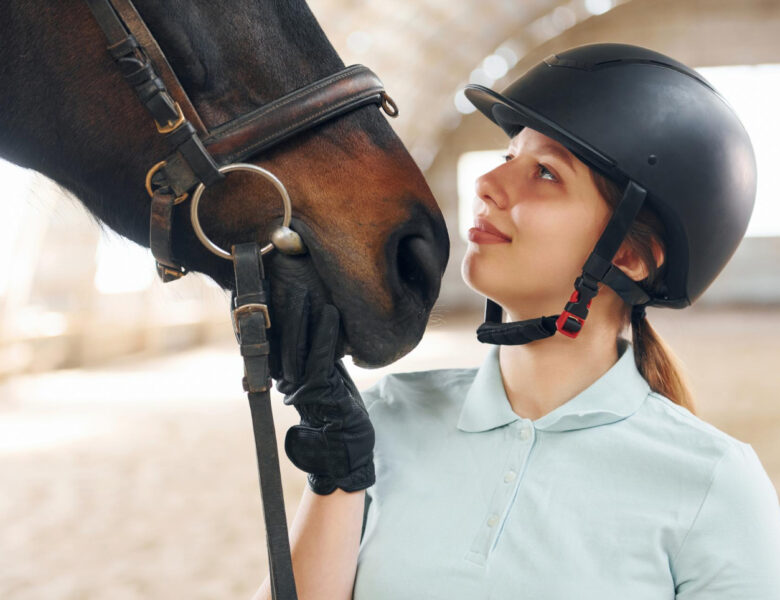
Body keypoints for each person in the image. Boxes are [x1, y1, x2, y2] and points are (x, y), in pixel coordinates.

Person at [254, 43, 780, 600]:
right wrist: (338, 472)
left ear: (629, 256)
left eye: (547, 173)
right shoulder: (383, 418)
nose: (487, 184)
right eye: (509, 157)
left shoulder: (713, 483)